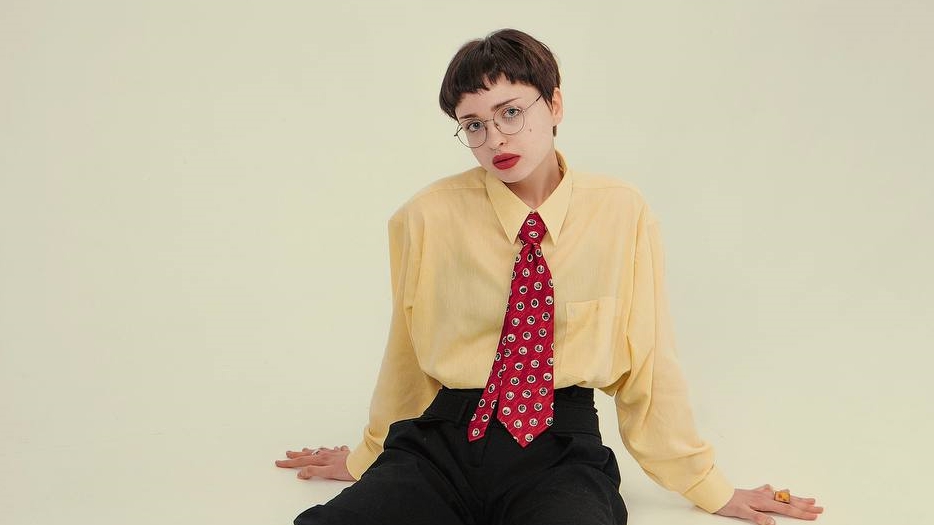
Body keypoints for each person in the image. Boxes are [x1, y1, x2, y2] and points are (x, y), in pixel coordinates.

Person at [275, 28, 824, 525]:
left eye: (510, 112)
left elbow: (650, 365)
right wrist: (367, 457)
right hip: (440, 442)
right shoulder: (425, 216)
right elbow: (405, 354)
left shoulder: (621, 212)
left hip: (560, 449)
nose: (494, 138)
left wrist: (708, 487)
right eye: (473, 125)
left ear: (555, 103)